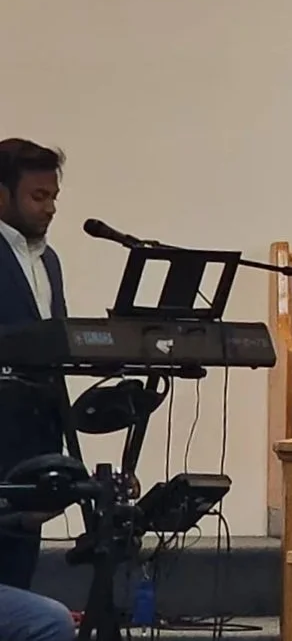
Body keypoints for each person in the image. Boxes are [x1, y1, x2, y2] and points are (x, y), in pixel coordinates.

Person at [0, 140, 75, 641]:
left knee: (18, 586)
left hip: (34, 439)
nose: (48, 208)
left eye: (52, 196)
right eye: (36, 196)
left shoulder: (49, 262)